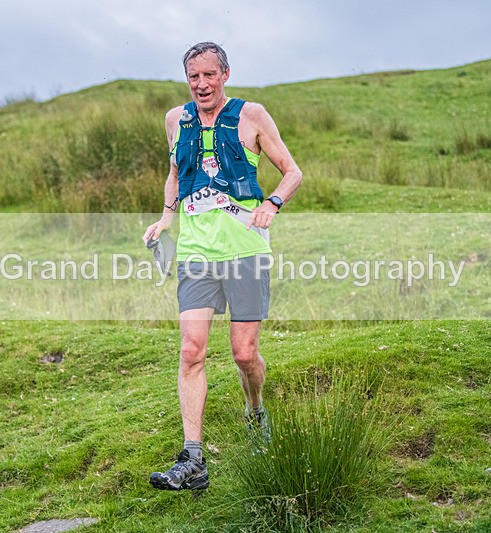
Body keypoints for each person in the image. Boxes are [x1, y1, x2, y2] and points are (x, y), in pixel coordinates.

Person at [143, 41, 302, 491]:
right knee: (191, 350)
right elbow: (176, 173)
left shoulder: (252, 115)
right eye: (193, 76)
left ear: (225, 74)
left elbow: (292, 172)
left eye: (209, 75)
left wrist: (271, 203)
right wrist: (166, 218)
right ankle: (193, 458)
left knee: (243, 354)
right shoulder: (176, 120)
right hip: (196, 252)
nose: (201, 84)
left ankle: (255, 410)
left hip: (245, 249)